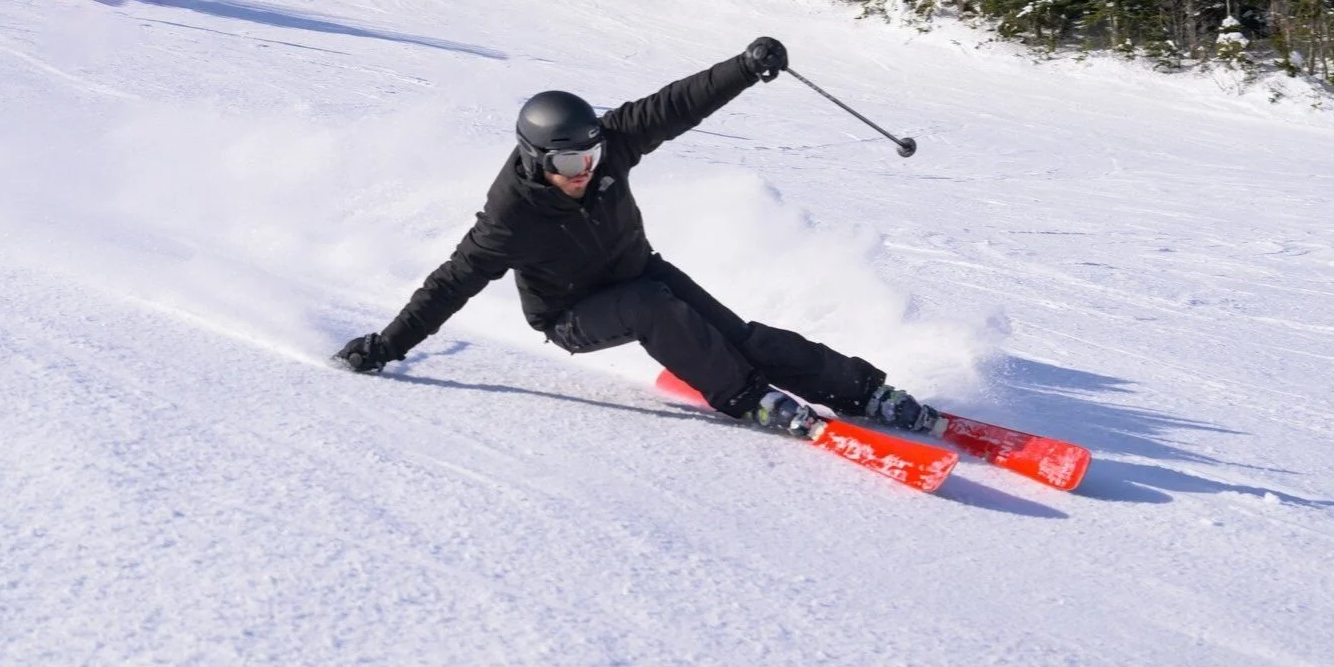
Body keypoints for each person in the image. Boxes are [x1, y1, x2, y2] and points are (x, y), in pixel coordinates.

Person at [333, 39, 939, 442]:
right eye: (570, 160)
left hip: (637, 272)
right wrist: (386, 346)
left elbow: (673, 106)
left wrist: (745, 67)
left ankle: (862, 391)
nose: (586, 170)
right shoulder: (508, 220)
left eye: (592, 154)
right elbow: (448, 285)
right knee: (658, 311)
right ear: (536, 158)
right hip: (571, 315)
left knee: (740, 336)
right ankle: (746, 396)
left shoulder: (607, 152)